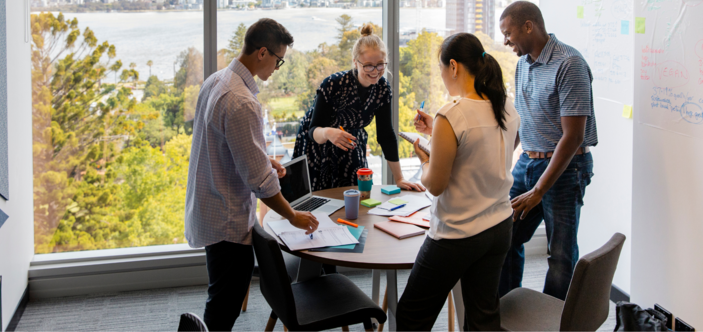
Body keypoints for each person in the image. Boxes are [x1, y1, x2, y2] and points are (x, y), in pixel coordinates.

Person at [184, 18, 319, 331]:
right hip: (227, 220)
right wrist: (292, 216)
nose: (277, 68)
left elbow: (221, 144)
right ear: (262, 53)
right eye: (278, 60)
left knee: (220, 297)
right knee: (223, 307)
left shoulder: (217, 81)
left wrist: (261, 158)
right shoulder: (241, 101)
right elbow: (260, 182)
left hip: (209, 208)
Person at [396, 33, 519, 331]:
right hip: (499, 226)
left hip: (458, 234)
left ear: (453, 66)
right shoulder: (506, 105)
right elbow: (486, 150)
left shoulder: (451, 114)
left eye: (441, 69)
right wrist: (437, 133)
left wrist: (425, 160)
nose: (442, 76)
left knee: (411, 315)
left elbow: (435, 185)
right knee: (482, 317)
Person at [498, 1, 597, 301]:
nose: (506, 41)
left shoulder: (570, 64)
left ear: (528, 26)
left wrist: (539, 190)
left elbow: (573, 136)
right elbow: (523, 118)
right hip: (528, 162)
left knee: (561, 254)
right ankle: (507, 310)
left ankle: (553, 319)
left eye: (508, 33)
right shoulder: (522, 64)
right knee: (504, 236)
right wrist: (500, 159)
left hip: (567, 168)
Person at [293, 24, 423, 192]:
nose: (375, 71)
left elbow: (386, 135)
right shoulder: (333, 84)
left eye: (380, 64)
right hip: (319, 144)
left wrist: (399, 178)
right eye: (368, 65)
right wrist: (328, 133)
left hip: (351, 143)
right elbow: (313, 130)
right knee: (321, 198)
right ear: (355, 62)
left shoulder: (382, 88)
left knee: (357, 194)